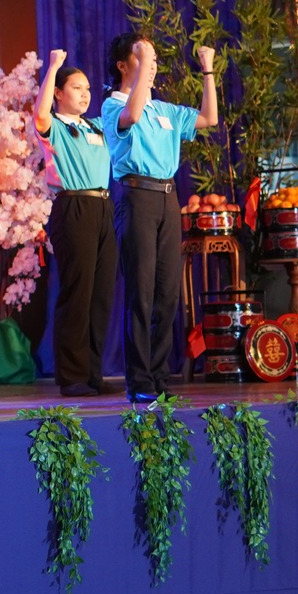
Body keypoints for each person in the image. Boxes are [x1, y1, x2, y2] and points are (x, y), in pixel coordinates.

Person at [101, 34, 219, 404]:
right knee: (142, 291)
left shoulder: (164, 111)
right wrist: (141, 75)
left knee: (167, 293)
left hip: (168, 199)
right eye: (142, 57)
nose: (151, 65)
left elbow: (208, 118)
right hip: (136, 197)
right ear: (123, 66)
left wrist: (207, 70)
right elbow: (131, 116)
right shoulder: (112, 105)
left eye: (153, 59)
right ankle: (138, 380)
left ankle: (159, 376)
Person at [33, 51, 120, 398]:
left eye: (87, 88)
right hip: (73, 206)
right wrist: (53, 67)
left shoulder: (97, 125)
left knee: (101, 295)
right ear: (58, 92)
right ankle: (72, 376)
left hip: (103, 207)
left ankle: (94, 373)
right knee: (78, 292)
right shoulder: (54, 125)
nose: (84, 94)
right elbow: (39, 115)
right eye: (76, 88)